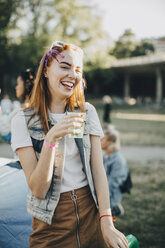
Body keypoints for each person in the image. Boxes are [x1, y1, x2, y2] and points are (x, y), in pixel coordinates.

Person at [11, 41, 129, 248]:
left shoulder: (87, 111)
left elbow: (98, 170)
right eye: (65, 67)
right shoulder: (22, 120)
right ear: (46, 70)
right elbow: (38, 189)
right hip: (51, 223)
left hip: (91, 212)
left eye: (77, 70)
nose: (72, 75)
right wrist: (50, 140)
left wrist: (107, 221)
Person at [101, 125, 129, 217]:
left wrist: (103, 196)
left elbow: (114, 182)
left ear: (109, 142)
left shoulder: (118, 160)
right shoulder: (105, 155)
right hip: (104, 192)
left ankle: (116, 207)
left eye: (102, 139)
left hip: (111, 196)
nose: (99, 141)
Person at [0, 69, 34, 144]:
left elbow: (4, 129)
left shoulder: (22, 111)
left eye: (18, 84)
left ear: (26, 85)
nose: (16, 87)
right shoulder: (34, 108)